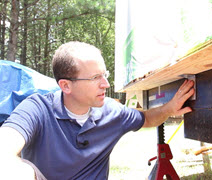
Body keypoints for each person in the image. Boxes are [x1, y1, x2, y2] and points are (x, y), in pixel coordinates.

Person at [0, 41, 195, 180]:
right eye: (95, 78)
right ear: (66, 86)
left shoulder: (112, 112)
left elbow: (146, 119)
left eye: (104, 74)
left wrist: (169, 108)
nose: (106, 84)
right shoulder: (37, 108)